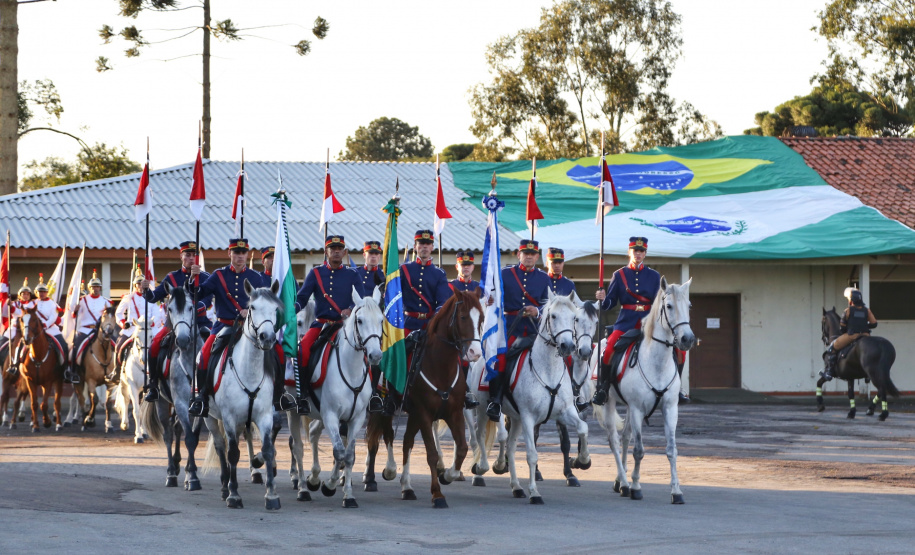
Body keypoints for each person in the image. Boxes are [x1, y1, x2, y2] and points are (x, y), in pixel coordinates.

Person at [188, 238, 277, 417]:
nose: (240, 256)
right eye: (236, 252)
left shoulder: (256, 277)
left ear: (247, 255)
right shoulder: (218, 275)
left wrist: (249, 311)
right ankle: (201, 397)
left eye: (243, 253)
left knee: (277, 355)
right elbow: (198, 295)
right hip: (223, 326)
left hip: (250, 329)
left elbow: (265, 303)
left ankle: (278, 396)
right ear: (230, 254)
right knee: (203, 356)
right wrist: (193, 278)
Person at [293, 235, 366, 415]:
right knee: (302, 350)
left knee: (368, 350)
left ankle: (371, 396)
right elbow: (302, 297)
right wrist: (293, 308)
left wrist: (350, 309)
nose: (335, 251)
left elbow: (361, 299)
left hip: (345, 326)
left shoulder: (352, 274)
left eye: (339, 248)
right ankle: (302, 397)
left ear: (344, 252)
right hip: (322, 325)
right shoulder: (316, 273)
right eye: (332, 248)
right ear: (326, 252)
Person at [591, 237, 663, 406]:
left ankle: (675, 387)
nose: (638, 254)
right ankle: (603, 387)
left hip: (649, 322)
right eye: (634, 250)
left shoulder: (654, 276)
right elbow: (609, 304)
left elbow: (658, 303)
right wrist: (602, 299)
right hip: (625, 322)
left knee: (671, 347)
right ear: (629, 252)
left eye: (641, 251)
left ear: (645, 253)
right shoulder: (619, 274)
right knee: (608, 349)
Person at [486, 240, 551, 421]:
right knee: (500, 359)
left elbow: (549, 305)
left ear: (537, 256)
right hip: (510, 326)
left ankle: (568, 396)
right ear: (518, 255)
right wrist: (489, 298)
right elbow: (492, 294)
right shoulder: (505, 274)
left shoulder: (544, 278)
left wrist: (537, 311)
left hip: (534, 329)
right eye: (525, 253)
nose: (529, 256)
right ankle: (496, 400)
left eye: (532, 254)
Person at [140, 240, 212, 402]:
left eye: (194, 255)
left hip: (200, 322)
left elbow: (207, 300)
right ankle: (153, 385)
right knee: (155, 345)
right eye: (188, 255)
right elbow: (153, 298)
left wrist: (194, 308)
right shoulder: (172, 277)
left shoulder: (206, 277)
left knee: (218, 344)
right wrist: (145, 290)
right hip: (174, 325)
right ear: (181, 256)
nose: (191, 258)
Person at [115, 267, 162, 381]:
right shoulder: (128, 298)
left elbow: (157, 315)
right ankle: (116, 371)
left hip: (148, 329)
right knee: (119, 346)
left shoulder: (152, 297)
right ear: (135, 286)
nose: (140, 287)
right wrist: (123, 323)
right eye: (138, 284)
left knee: (161, 346)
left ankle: (161, 371)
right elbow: (119, 313)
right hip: (131, 328)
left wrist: (151, 324)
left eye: (142, 284)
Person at [821, 287, 878, 381]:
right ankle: (868, 374)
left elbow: (842, 327)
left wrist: (847, 329)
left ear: (852, 300)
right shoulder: (867, 310)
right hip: (865, 336)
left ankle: (830, 372)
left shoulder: (848, 310)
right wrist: (864, 325)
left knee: (832, 348)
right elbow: (874, 324)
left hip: (852, 335)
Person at [69, 269, 112, 385]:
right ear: (89, 288)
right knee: (76, 348)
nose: (95, 288)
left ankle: (116, 371)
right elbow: (73, 314)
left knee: (114, 346)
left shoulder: (105, 302)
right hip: (85, 330)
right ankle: (74, 372)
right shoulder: (82, 300)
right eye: (93, 287)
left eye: (97, 286)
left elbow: (109, 317)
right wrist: (75, 309)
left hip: (100, 331)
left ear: (100, 288)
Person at [31, 274, 69, 378]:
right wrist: (10, 304)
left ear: (47, 293)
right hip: (35, 331)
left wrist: (45, 324)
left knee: (64, 346)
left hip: (51, 330)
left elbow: (53, 317)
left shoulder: (53, 304)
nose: (42, 294)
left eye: (44, 292)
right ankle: (17, 365)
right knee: (22, 344)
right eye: (40, 292)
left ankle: (65, 369)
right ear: (36, 293)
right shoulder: (32, 303)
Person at [6, 278, 36, 374]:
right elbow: (13, 313)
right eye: (23, 294)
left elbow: (22, 313)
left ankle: (16, 364)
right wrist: (9, 305)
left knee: (18, 344)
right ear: (20, 295)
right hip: (15, 328)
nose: (26, 296)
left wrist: (13, 308)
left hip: (27, 329)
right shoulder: (14, 303)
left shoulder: (33, 304)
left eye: (27, 294)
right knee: (3, 340)